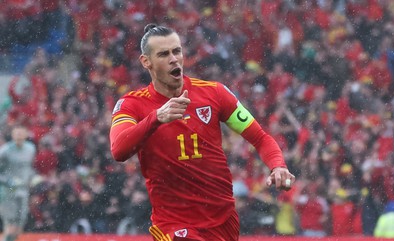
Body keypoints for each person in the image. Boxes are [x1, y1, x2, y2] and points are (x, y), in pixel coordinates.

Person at [109, 23, 295, 241]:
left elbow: (260, 138)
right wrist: (156, 118)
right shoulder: (132, 104)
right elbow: (118, 150)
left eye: (176, 51)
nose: (173, 59)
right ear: (146, 61)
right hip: (173, 223)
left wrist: (278, 166)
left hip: (222, 220)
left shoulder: (214, 93)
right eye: (163, 54)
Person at [0, 125, 36, 241]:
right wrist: (7, 181)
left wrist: (33, 178)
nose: (19, 136)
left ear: (26, 135)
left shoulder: (31, 149)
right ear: (12, 135)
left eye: (21, 133)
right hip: (9, 189)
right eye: (17, 133)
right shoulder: (5, 151)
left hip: (23, 188)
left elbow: (29, 168)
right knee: (10, 222)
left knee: (20, 222)